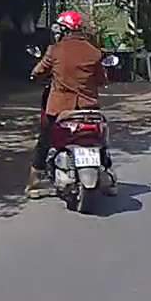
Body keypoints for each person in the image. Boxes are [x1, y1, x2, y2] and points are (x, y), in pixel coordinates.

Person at [27, 10, 113, 196]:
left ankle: (34, 182)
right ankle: (108, 173)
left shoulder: (55, 50)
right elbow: (102, 80)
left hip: (60, 109)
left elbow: (38, 71)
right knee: (101, 139)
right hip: (89, 108)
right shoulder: (94, 52)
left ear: (64, 30)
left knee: (45, 141)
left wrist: (35, 75)